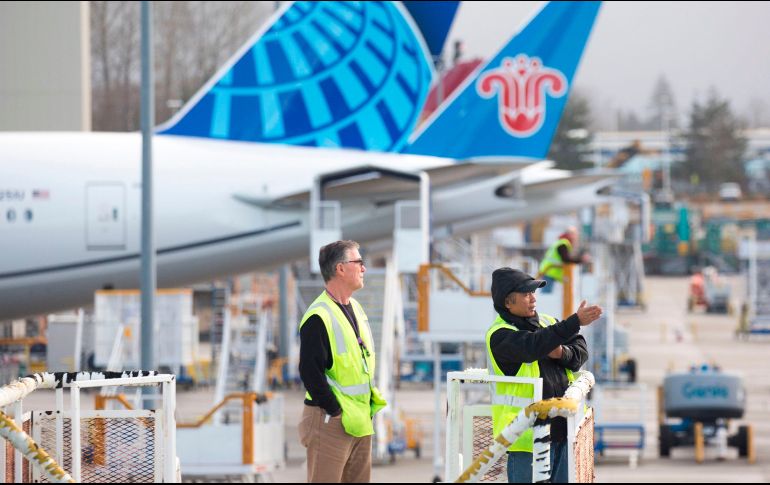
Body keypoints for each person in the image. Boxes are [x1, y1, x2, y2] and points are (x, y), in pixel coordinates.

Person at [486, 267, 602, 483]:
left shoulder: (547, 323)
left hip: (563, 433)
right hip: (526, 441)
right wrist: (574, 322)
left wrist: (561, 352)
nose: (533, 298)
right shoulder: (500, 336)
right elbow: (533, 346)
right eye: (526, 294)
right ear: (508, 303)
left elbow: (580, 350)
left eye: (533, 292)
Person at [298, 240, 387, 483]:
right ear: (340, 268)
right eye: (358, 262)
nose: (363, 268)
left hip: (359, 420)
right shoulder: (319, 316)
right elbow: (309, 372)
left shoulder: (356, 308)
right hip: (331, 421)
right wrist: (334, 410)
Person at [538, 226, 590, 293]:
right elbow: (566, 259)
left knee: (549, 294)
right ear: (570, 235)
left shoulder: (561, 242)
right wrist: (581, 260)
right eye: (575, 235)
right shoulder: (563, 244)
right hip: (550, 270)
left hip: (549, 270)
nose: (576, 237)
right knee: (547, 294)